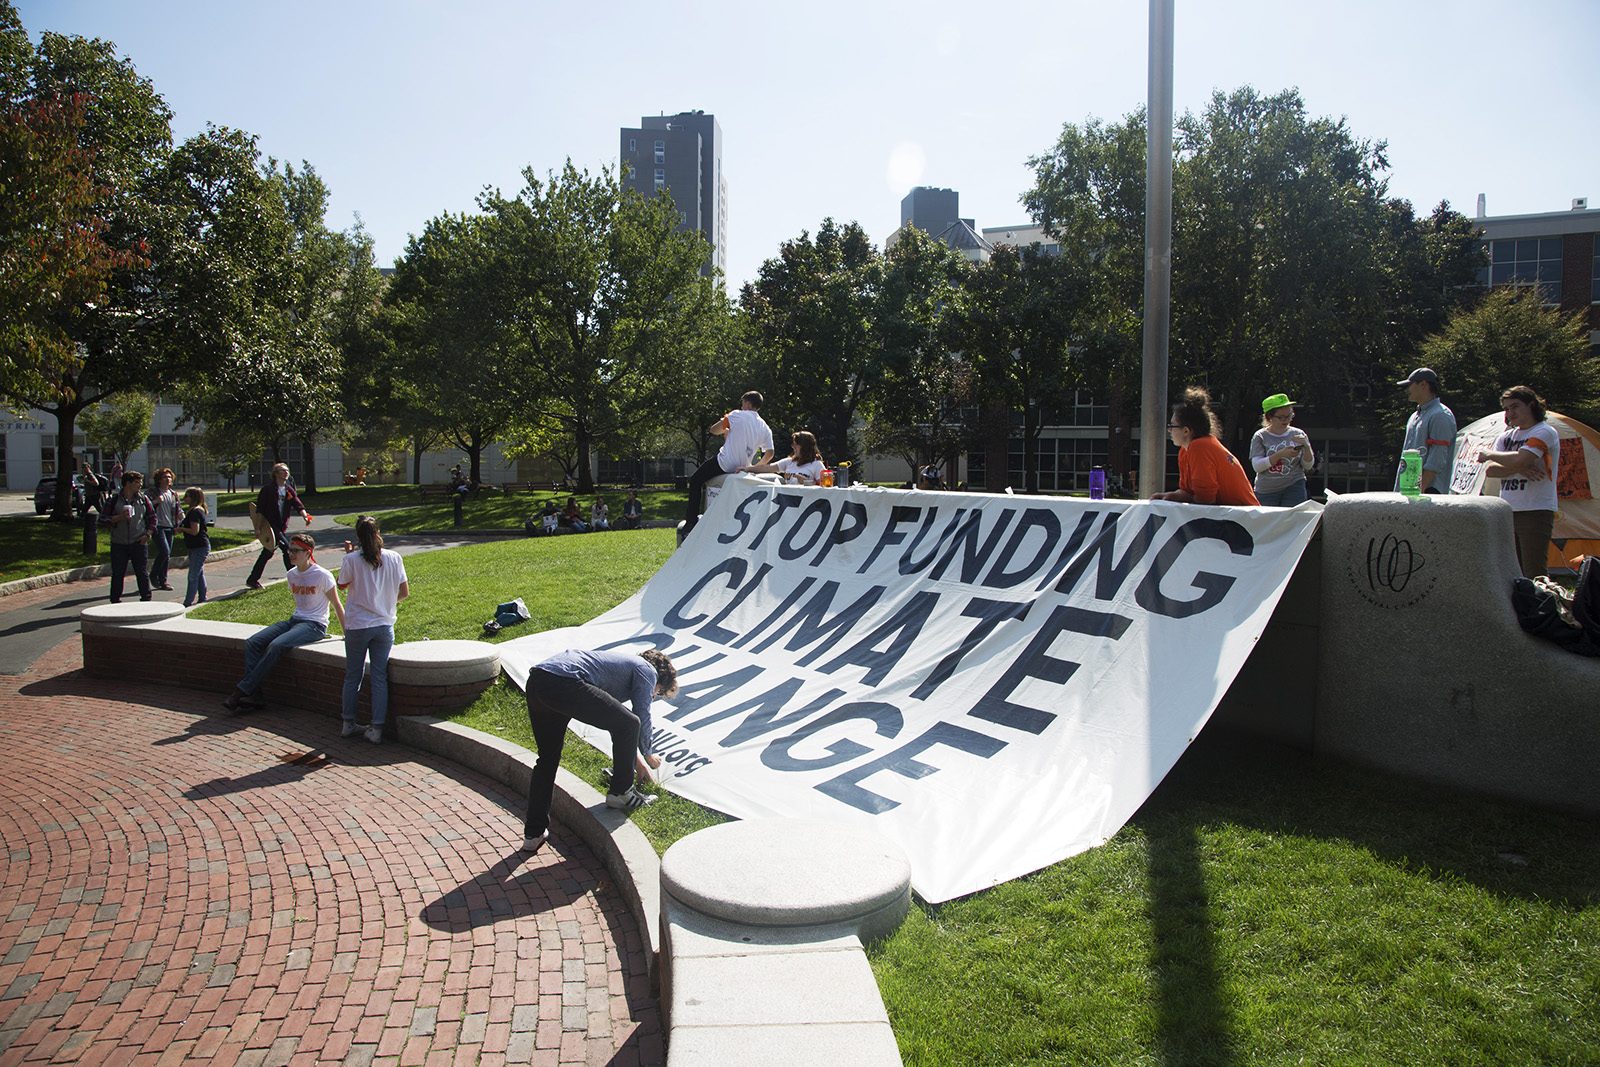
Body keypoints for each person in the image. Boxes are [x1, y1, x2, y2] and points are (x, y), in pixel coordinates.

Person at [521, 648, 676, 852]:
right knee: (631, 723)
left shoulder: (618, 666)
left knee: (547, 760)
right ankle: (621, 793)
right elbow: (641, 714)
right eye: (658, 693)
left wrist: (638, 767)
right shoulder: (647, 670)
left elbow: (618, 727)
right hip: (566, 681)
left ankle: (533, 833)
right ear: (660, 680)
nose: (654, 696)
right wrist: (648, 754)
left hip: (539, 680)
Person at [224, 532, 344, 712]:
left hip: (315, 625)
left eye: (296, 551)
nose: (291, 554)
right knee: (252, 643)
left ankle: (241, 691)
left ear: (308, 552)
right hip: (295, 620)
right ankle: (255, 696)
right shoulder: (291, 575)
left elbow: (337, 605)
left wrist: (347, 633)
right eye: (289, 550)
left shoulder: (322, 575)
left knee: (276, 645)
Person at [1476, 385, 1561, 579]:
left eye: (1515, 406)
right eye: (1506, 409)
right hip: (1507, 510)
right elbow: (1491, 470)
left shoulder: (1544, 432)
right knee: (1511, 571)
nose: (1510, 413)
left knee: (1534, 572)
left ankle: (1539, 608)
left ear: (1531, 405)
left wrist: (1489, 454)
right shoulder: (1505, 437)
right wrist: (1521, 468)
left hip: (1536, 509)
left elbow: (1518, 459)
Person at [337, 516, 409, 744]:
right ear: (378, 533)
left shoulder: (352, 559)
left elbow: (341, 585)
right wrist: (386, 603)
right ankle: (377, 728)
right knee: (379, 677)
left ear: (358, 536)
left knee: (353, 675)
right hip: (384, 625)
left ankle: (348, 723)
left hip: (358, 625)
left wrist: (348, 554)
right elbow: (404, 592)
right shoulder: (395, 558)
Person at [682, 390, 774, 535]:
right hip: (743, 467)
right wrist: (755, 468)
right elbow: (770, 453)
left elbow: (714, 430)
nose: (742, 405)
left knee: (695, 481)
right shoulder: (764, 427)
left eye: (743, 403)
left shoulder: (736, 414)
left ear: (748, 403)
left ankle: (690, 523)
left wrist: (725, 421)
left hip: (724, 463)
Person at [1152, 387, 1261, 506]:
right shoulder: (1186, 450)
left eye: (1172, 426)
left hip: (1242, 518)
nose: (1169, 430)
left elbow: (1205, 499)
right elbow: (1188, 492)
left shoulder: (1200, 447)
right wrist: (1169, 496)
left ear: (1186, 431)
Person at [245, 463, 313, 589]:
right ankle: (295, 579)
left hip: (281, 527)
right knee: (288, 549)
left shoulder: (288, 489)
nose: (286, 472)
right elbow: (259, 510)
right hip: (270, 526)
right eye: (283, 471)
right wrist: (258, 528)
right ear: (276, 473)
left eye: (287, 470)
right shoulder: (268, 490)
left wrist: (305, 516)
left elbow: (298, 504)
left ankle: (252, 579)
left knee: (267, 553)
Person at [1395, 367, 1456, 494]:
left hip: (1429, 492)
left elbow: (1437, 459)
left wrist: (1418, 490)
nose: (1407, 390)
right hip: (1411, 491)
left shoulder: (1440, 415)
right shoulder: (1415, 416)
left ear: (1423, 385)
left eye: (1409, 385)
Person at [1249, 393, 1316, 507]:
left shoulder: (1298, 434)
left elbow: (1308, 466)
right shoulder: (1260, 436)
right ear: (1269, 417)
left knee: (1293, 521)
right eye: (1281, 417)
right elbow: (1257, 466)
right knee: (1269, 523)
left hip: (1294, 485)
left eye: (1289, 415)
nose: (1286, 420)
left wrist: (1307, 446)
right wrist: (1280, 454)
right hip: (1266, 491)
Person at [104, 470, 156, 603]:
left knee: (142, 572)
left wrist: (148, 535)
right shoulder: (114, 499)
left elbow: (152, 518)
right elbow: (103, 519)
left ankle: (146, 598)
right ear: (128, 483)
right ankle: (115, 600)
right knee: (118, 573)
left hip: (138, 541)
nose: (140, 485)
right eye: (137, 482)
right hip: (119, 542)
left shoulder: (143, 499)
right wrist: (119, 517)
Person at [740, 430, 825, 485]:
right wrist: (747, 469)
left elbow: (826, 488)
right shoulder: (789, 462)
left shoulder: (817, 465)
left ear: (805, 446)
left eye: (796, 445)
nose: (793, 447)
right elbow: (767, 468)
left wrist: (807, 482)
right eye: (793, 444)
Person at [147, 468, 181, 591]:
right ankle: (153, 574)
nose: (168, 479)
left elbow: (178, 511)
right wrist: (156, 501)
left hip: (169, 526)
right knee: (164, 551)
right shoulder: (153, 492)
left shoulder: (173, 494)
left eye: (169, 477)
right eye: (165, 477)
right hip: (157, 526)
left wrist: (179, 523)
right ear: (159, 480)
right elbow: (145, 506)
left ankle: (163, 581)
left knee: (167, 555)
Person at [179, 487, 210, 608]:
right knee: (199, 573)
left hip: (200, 546)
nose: (185, 499)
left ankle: (188, 602)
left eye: (187, 496)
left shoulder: (195, 512)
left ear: (193, 497)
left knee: (193, 575)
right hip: (194, 546)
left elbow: (194, 531)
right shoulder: (194, 510)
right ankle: (202, 597)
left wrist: (181, 529)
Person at [79, 458, 109, 556]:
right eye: (83, 468)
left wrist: (87, 480)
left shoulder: (90, 475)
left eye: (85, 467)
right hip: (89, 496)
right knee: (85, 509)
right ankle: (83, 521)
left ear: (88, 467)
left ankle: (105, 520)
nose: (84, 469)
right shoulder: (86, 475)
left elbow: (96, 483)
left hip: (94, 496)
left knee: (100, 509)